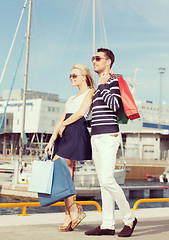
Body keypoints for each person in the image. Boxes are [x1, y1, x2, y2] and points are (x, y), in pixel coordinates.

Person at [85, 48, 137, 237]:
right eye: (93, 58)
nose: (94, 61)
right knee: (103, 183)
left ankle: (129, 219)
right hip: (96, 137)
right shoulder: (100, 84)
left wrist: (102, 86)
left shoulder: (112, 81)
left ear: (108, 62)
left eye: (98, 58)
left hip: (109, 136)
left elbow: (115, 105)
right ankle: (107, 224)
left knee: (108, 179)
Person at [45, 64, 95, 232]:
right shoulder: (71, 98)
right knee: (66, 174)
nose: (71, 78)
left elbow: (81, 113)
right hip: (64, 133)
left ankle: (73, 210)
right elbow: (61, 119)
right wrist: (51, 140)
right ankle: (69, 213)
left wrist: (64, 125)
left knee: (63, 170)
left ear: (83, 76)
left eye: (74, 75)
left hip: (76, 131)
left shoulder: (90, 92)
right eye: (70, 76)